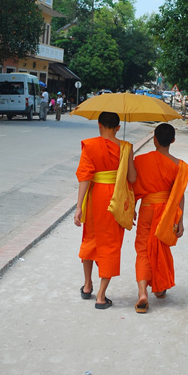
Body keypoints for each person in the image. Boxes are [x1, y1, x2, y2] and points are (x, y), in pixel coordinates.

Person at [74, 111, 137, 309]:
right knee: (111, 243)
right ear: (118, 127)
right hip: (116, 200)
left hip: (95, 198)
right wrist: (126, 156)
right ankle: (101, 295)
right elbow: (133, 179)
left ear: (99, 125)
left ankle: (87, 285)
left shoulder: (90, 145)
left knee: (90, 238)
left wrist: (79, 207)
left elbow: (85, 177)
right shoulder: (126, 147)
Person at [132, 123, 188, 313]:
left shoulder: (141, 161)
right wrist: (180, 221)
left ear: (154, 140)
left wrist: (132, 208)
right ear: (173, 140)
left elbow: (132, 185)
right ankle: (159, 288)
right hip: (166, 213)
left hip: (147, 208)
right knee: (161, 247)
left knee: (143, 249)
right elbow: (179, 195)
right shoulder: (179, 166)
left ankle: (142, 292)